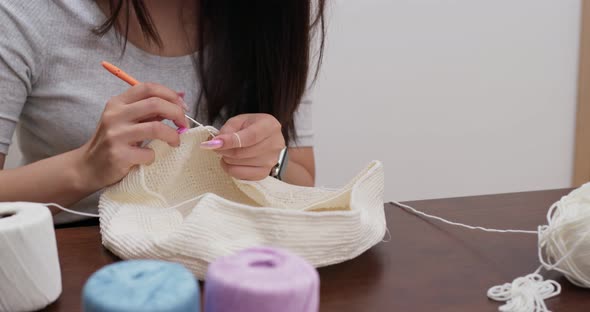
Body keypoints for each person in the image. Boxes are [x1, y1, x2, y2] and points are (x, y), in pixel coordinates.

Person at [0, 0, 325, 223]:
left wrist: (270, 160)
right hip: (73, 265)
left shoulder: (273, 17)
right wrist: (83, 169)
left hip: (229, 252)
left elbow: (303, 183)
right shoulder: (27, 13)